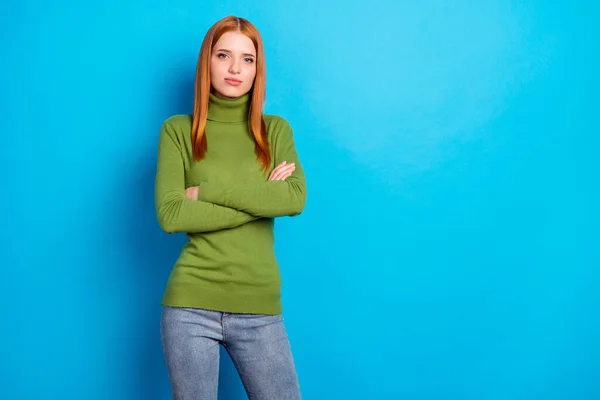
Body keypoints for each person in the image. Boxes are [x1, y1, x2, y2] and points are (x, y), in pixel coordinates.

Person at [154, 15, 306, 400]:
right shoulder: (178, 131)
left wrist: (201, 192)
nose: (236, 68)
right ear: (208, 62)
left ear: (258, 69)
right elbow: (171, 215)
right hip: (190, 305)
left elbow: (293, 198)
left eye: (248, 59)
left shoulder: (276, 131)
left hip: (259, 306)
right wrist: (260, 197)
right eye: (224, 55)